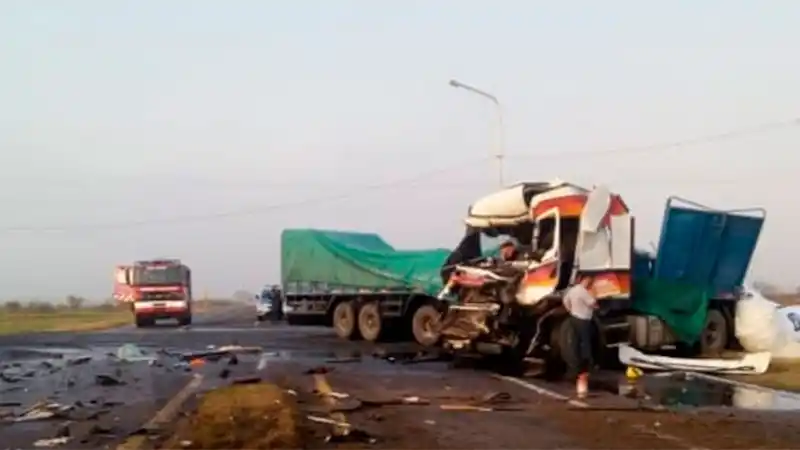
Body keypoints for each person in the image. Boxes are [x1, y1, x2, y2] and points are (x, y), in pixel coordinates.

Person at [562, 277, 598, 398]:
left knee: (575, 342)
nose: (591, 283)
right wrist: (594, 296)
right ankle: (586, 365)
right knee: (585, 342)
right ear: (586, 280)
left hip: (574, 317)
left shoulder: (572, 290)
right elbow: (593, 304)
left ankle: (575, 364)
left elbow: (565, 300)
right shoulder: (583, 292)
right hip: (584, 319)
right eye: (590, 281)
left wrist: (570, 310)